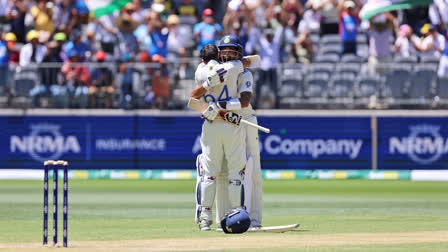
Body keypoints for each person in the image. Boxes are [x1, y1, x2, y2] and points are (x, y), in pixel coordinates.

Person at [190, 37, 249, 231]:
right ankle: (237, 214)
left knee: (208, 173)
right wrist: (240, 61)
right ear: (218, 54)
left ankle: (204, 219)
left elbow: (194, 97)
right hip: (230, 123)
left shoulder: (199, 71)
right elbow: (249, 62)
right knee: (235, 172)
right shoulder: (232, 68)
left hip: (210, 123)